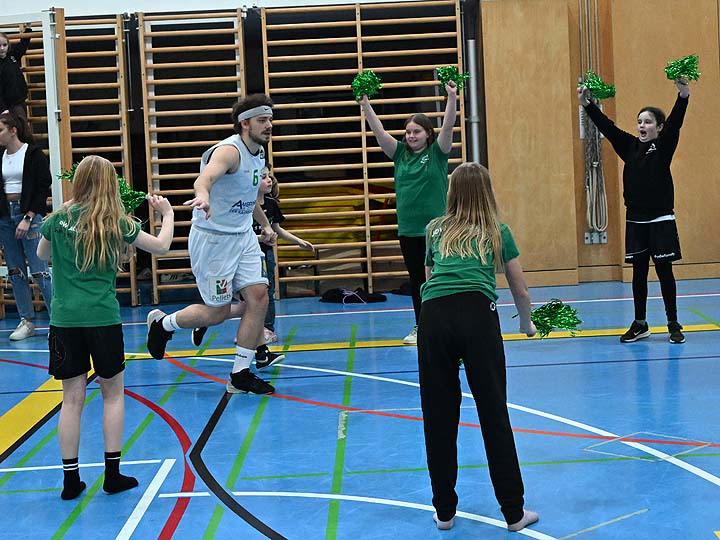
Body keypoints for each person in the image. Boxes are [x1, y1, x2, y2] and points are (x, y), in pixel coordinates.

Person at [37, 155, 175, 500]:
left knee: (71, 400)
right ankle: (112, 474)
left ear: (79, 182)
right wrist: (168, 214)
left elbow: (41, 254)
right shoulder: (116, 222)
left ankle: (71, 480)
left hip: (65, 320)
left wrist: (64, 216)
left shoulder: (58, 220)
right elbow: (161, 247)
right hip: (103, 319)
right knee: (112, 396)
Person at [418, 162, 538, 532]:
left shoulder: (435, 229)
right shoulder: (496, 230)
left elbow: (429, 280)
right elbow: (520, 289)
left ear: (452, 193)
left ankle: (444, 512)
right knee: (493, 413)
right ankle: (513, 512)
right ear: (487, 193)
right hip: (477, 316)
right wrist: (526, 323)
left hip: (434, 317)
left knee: (438, 416)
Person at [145, 94, 281, 395]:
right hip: (214, 240)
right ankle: (164, 324)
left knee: (259, 298)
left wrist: (265, 225)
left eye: (270, 119)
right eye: (262, 120)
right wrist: (203, 196)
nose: (269, 125)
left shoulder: (258, 153)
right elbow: (203, 179)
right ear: (244, 124)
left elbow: (246, 196)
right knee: (217, 313)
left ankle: (240, 374)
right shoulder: (229, 152)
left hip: (242, 236)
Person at [578, 78, 690, 344]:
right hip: (636, 220)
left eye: (648, 122)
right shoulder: (629, 146)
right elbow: (607, 127)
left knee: (664, 272)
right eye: (639, 121)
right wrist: (587, 105)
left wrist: (683, 96)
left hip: (661, 219)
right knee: (639, 273)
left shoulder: (663, 145)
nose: (642, 126)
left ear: (659, 127)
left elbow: (675, 123)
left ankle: (673, 324)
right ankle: (640, 323)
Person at [359, 80, 457, 344]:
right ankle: (422, 325)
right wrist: (366, 104)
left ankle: (447, 325)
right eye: (408, 132)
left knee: (440, 278)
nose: (411, 136)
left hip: (436, 230)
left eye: (416, 132)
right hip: (409, 230)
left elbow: (448, 126)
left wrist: (451, 97)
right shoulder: (399, 153)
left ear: (428, 133)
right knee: (417, 280)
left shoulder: (438, 153)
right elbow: (379, 132)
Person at [191, 163, 315, 349]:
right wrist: (261, 237)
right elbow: (241, 233)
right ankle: (205, 318)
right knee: (238, 304)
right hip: (236, 255)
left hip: (263, 256)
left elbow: (275, 229)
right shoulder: (239, 204)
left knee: (262, 296)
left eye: (269, 176)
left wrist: (298, 241)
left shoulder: (271, 205)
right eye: (263, 177)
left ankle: (264, 332)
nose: (268, 180)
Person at [0, 111, 51, 340]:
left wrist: (29, 217)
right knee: (15, 271)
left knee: (40, 270)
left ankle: (58, 320)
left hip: (28, 214)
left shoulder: (33, 154)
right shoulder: (1, 156)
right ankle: (26, 320)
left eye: (1, 130)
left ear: (13, 130)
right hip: (5, 216)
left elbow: (42, 187)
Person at [0, 29, 32, 126]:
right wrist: (3, 108)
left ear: (8, 45)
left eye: (4, 45)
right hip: (8, 103)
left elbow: (22, 46)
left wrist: (28, 29)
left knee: (22, 126)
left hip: (20, 100)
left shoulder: (12, 56)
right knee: (19, 128)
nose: (2, 48)